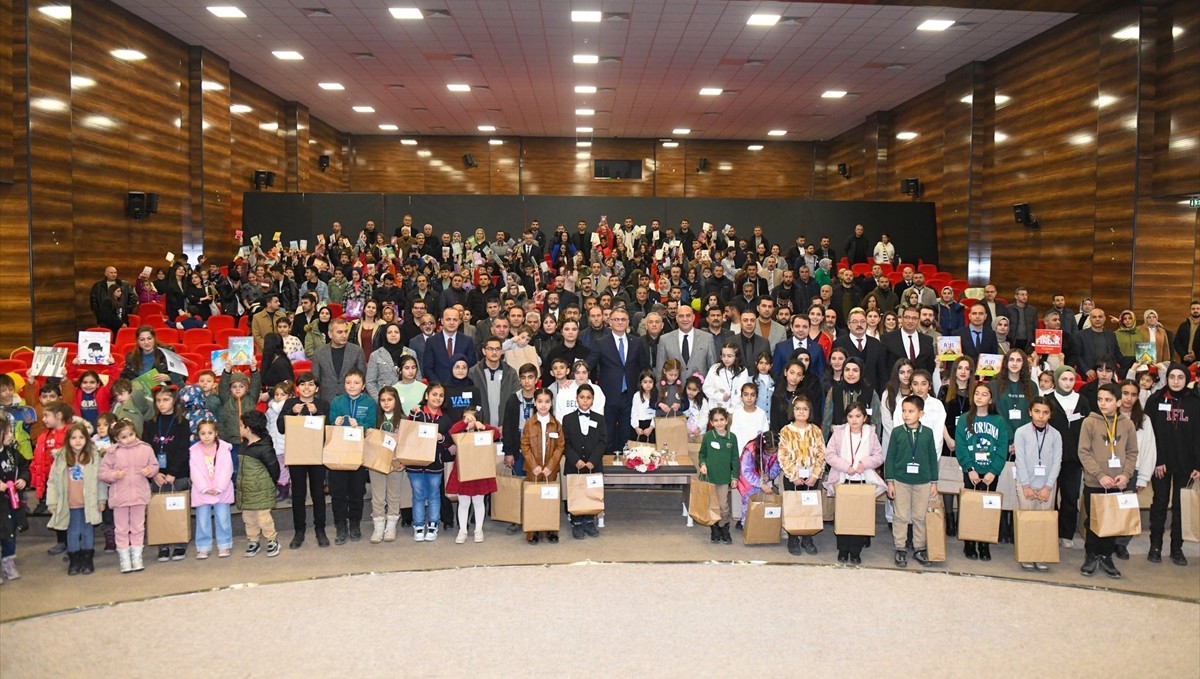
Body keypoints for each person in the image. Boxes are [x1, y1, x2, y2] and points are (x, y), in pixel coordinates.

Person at [1077, 383, 1138, 579]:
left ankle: (1106, 556)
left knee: (1112, 522)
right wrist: (1099, 475)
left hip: (1117, 483)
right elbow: (1083, 452)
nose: (1103, 403)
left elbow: (1132, 452)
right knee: (1093, 521)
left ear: (1119, 402)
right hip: (1095, 482)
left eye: (1108, 400)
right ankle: (1091, 554)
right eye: (1100, 399)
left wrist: (1126, 475)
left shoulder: (1127, 424)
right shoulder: (1090, 422)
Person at [1144, 363, 1200, 566]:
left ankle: (1177, 547)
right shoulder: (1155, 400)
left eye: (1180, 377)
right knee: (1159, 504)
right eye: (1172, 377)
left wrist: (1198, 465)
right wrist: (1157, 461)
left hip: (1187, 465)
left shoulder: (1195, 402)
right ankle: (1155, 545)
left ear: (1187, 379)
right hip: (1161, 464)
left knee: (1180, 506)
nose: (1176, 381)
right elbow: (1149, 434)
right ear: (1166, 378)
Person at [954, 380, 1008, 561]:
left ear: (991, 399)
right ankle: (969, 542)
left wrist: (994, 471)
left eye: (984, 394)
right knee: (970, 506)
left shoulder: (998, 421)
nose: (979, 397)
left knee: (987, 508)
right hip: (972, 471)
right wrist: (969, 469)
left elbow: (1002, 448)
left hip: (990, 473)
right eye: (977, 393)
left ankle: (984, 543)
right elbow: (960, 446)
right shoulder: (964, 419)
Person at [276, 372, 331, 549]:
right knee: (298, 495)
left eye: (310, 384)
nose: (306, 388)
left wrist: (319, 412)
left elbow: (329, 430)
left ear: (317, 388)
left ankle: (320, 530)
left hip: (317, 455)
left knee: (318, 494)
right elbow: (280, 428)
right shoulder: (290, 403)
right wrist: (291, 413)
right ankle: (299, 531)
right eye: (302, 384)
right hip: (296, 455)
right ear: (297, 388)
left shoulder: (323, 404)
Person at [98, 419, 158, 573]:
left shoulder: (145, 448)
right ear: (117, 439)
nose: (129, 439)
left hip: (139, 494)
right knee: (121, 528)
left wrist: (149, 471)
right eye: (124, 437)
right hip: (120, 496)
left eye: (131, 434)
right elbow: (102, 473)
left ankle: (137, 557)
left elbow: (154, 465)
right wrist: (115, 474)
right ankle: (124, 558)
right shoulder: (112, 452)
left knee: (138, 526)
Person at [886, 396, 939, 568]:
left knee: (919, 516)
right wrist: (890, 482)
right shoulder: (897, 432)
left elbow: (932, 458)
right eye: (904, 411)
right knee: (900, 515)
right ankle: (900, 547)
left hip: (923, 481)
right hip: (901, 480)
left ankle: (919, 547)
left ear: (921, 413)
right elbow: (891, 457)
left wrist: (934, 482)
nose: (906, 415)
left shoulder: (928, 433)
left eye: (911, 411)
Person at [46, 423, 105, 576]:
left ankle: (87, 558)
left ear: (87, 439)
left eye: (81, 437)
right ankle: (74, 558)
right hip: (69, 502)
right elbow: (52, 481)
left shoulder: (94, 456)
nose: (77, 441)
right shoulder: (61, 457)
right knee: (72, 531)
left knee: (87, 530)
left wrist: (102, 499)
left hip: (88, 502)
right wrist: (52, 502)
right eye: (73, 438)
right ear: (68, 440)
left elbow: (101, 480)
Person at [327, 369, 376, 545]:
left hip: (359, 453)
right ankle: (340, 526)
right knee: (338, 492)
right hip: (339, 452)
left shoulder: (370, 403)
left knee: (357, 491)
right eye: (348, 383)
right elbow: (330, 424)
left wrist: (360, 425)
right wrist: (336, 423)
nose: (352, 386)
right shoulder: (337, 402)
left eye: (356, 383)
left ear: (363, 385)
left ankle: (355, 524)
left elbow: (371, 425)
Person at [1012, 397, 1062, 571]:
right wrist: (1025, 485)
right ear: (1030, 412)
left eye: (1045, 412)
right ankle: (1027, 554)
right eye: (1037, 411)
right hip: (1026, 484)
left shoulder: (1056, 435)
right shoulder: (1021, 432)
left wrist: (1048, 487)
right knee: (1027, 520)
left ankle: (1041, 555)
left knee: (1043, 522)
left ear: (1050, 414)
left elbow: (1057, 462)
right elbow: (1020, 460)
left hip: (1047, 486)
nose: (1041, 416)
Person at [588, 308, 648, 452]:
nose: (620, 322)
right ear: (609, 321)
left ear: (628, 322)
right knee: (608, 433)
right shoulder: (601, 342)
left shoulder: (637, 342)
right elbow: (589, 364)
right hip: (608, 396)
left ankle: (626, 464)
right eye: (616, 319)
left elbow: (644, 368)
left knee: (626, 433)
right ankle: (609, 466)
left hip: (630, 395)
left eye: (623, 319)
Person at [143, 385, 191, 562]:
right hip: (157, 474)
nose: (162, 404)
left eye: (166, 400)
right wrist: (154, 473)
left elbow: (182, 450)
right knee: (159, 510)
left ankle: (179, 542)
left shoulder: (182, 423)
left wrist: (172, 472)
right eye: (158, 400)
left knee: (176, 508)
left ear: (174, 401)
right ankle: (163, 543)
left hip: (177, 474)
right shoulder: (150, 424)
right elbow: (147, 450)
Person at [778, 396, 826, 556]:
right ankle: (793, 537)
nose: (801, 412)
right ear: (793, 411)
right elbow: (783, 455)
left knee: (808, 505)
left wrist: (815, 475)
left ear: (809, 412)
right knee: (794, 505)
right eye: (798, 409)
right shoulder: (786, 431)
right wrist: (793, 475)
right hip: (793, 476)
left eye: (805, 409)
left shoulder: (816, 431)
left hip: (811, 476)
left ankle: (807, 537)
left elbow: (821, 454)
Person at [1115, 379, 1156, 560]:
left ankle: (1122, 543)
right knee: (1109, 507)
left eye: (1133, 394)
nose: (1129, 398)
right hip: (1110, 469)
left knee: (1127, 508)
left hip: (1133, 470)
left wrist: (1143, 477)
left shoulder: (1144, 419)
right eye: (1125, 393)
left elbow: (1149, 448)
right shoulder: (1109, 413)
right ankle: (1108, 540)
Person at [445, 409, 500, 544]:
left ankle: (478, 530)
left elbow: (497, 434)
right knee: (463, 503)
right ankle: (462, 530)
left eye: (471, 419)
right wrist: (464, 423)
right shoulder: (460, 433)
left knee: (478, 502)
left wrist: (483, 426)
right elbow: (451, 432)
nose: (468, 421)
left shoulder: (483, 432)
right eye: (465, 418)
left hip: (479, 472)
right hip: (463, 471)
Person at [561, 385, 607, 540]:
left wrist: (593, 460)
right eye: (582, 397)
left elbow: (603, 442)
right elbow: (565, 443)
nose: (585, 400)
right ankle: (576, 523)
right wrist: (576, 460)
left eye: (588, 397)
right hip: (575, 465)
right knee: (576, 493)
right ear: (576, 399)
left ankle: (589, 521)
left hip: (593, 465)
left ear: (593, 400)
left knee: (590, 492)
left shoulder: (599, 419)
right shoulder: (568, 419)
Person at [407, 384, 451, 542]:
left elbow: (451, 440)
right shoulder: (417, 413)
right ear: (426, 396)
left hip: (435, 463)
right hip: (415, 463)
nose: (437, 398)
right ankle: (418, 525)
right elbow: (407, 431)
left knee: (434, 495)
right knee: (418, 495)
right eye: (434, 394)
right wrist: (412, 414)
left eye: (441, 395)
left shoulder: (445, 418)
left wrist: (443, 438)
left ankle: (433, 524)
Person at [520, 388, 564, 544]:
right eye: (540, 401)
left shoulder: (556, 424)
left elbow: (560, 446)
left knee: (549, 499)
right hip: (533, 470)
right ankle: (533, 532)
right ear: (535, 403)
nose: (543, 405)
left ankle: (551, 529)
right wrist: (534, 465)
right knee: (534, 499)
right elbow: (524, 445)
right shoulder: (529, 424)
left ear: (551, 403)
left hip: (549, 471)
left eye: (546, 402)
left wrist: (550, 466)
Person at [236, 410, 281, 558]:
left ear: (248, 428)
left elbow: (274, 469)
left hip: (261, 490)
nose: (239, 427)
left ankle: (272, 539)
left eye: (241, 425)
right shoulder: (244, 445)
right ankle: (253, 540)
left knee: (263, 519)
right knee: (248, 518)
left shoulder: (264, 447)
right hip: (247, 491)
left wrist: (268, 484)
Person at [188, 420, 234, 560]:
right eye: (203, 433)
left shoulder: (224, 449)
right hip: (202, 492)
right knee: (202, 520)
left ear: (216, 433)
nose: (206, 436)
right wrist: (205, 488)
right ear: (198, 435)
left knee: (223, 518)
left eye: (210, 433)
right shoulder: (194, 451)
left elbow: (227, 469)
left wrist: (220, 487)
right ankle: (203, 547)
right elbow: (194, 471)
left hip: (222, 490)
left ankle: (224, 544)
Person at [698, 407, 738, 545]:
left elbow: (734, 459)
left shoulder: (732, 438)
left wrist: (734, 477)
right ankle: (714, 528)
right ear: (711, 422)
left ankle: (724, 527)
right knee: (711, 504)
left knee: (723, 505)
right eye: (716, 420)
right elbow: (702, 454)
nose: (719, 423)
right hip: (709, 477)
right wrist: (702, 464)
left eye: (722, 420)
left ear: (727, 421)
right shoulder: (708, 436)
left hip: (723, 478)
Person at [0, 417, 30, 582]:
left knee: (10, 532)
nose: (11, 435)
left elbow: (25, 466)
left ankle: (9, 561)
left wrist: (24, 479)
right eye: (8, 432)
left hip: (12, 502)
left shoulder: (11, 452)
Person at [313, 318, 367, 401]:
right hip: (326, 401)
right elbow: (315, 380)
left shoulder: (357, 351)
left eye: (346, 331)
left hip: (351, 400)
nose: (344, 335)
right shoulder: (319, 353)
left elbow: (363, 378)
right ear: (330, 334)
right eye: (339, 332)